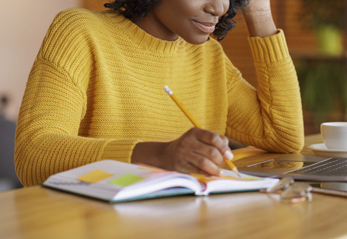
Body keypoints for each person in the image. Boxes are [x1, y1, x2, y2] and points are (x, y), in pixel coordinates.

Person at [15, 0, 304, 187]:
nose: (218, 6)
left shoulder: (207, 55)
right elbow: (33, 155)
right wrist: (157, 155)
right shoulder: (81, 32)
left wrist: (260, 12)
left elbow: (283, 136)